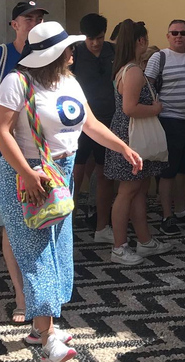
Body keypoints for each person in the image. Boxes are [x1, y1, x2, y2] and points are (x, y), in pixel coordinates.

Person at [0, 21, 143, 362]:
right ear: (55, 54)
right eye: (68, 48)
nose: (73, 52)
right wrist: (27, 173)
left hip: (60, 175)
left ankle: (38, 327)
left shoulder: (68, 81)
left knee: (58, 250)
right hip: (26, 178)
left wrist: (122, 147)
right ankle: (47, 341)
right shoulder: (16, 82)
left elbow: (89, 123)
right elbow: (1, 132)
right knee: (37, 254)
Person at [0, 1, 47, 324]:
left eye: (39, 17)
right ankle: (22, 295)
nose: (34, 22)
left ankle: (42, 291)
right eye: (28, 18)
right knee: (11, 225)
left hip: (43, 155)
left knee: (41, 221)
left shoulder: (49, 54)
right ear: (13, 24)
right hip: (4, 154)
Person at [104, 20, 173, 266]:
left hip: (130, 135)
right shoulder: (132, 71)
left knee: (139, 189)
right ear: (140, 41)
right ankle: (119, 247)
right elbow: (130, 108)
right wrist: (155, 108)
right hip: (130, 137)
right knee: (127, 192)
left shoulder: (126, 67)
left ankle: (144, 241)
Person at [144, 19, 185, 236]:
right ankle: (167, 215)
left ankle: (181, 211)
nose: (179, 36)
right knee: (168, 172)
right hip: (168, 120)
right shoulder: (159, 57)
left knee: (184, 170)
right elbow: (147, 84)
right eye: (174, 33)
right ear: (167, 35)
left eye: (183, 33)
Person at [70, 13, 117, 244]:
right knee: (75, 175)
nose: (95, 42)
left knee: (105, 175)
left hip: (108, 122)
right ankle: (65, 226)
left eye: (99, 37)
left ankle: (102, 227)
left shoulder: (113, 52)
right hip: (79, 123)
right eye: (90, 38)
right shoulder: (75, 53)